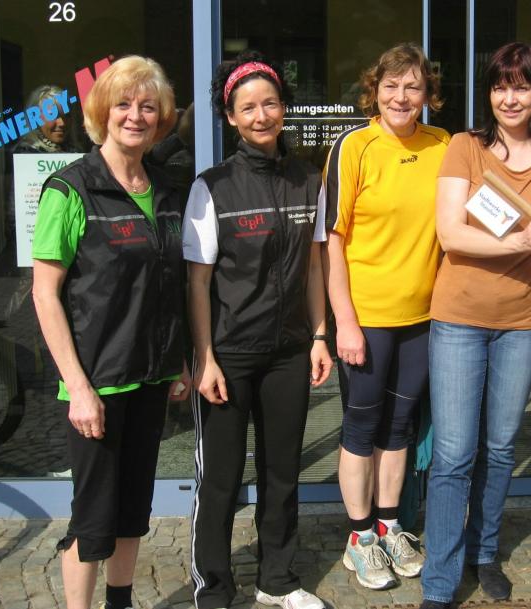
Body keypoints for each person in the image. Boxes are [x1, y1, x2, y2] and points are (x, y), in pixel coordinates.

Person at [419, 42, 531, 609]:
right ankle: (440, 580)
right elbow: (450, 233)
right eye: (499, 86)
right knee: (453, 454)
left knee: (501, 448)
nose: (509, 98)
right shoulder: (466, 148)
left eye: (521, 86)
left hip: (523, 321)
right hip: (460, 317)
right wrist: (520, 242)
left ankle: (484, 552)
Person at [31, 56, 190, 609]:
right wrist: (78, 388)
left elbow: (169, 284)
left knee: (131, 511)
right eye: (123, 104)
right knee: (92, 518)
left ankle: (119, 602)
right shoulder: (70, 189)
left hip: (150, 378)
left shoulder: (166, 189)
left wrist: (177, 361)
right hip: (97, 383)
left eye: (147, 106)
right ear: (102, 111)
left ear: (161, 117)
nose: (135, 116)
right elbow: (45, 295)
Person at [183, 50, 332, 609]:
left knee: (282, 473)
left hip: (289, 351)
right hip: (229, 354)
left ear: (283, 108)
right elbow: (197, 282)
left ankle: (278, 579)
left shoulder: (307, 180)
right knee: (221, 479)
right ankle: (214, 588)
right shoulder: (213, 187)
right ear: (230, 117)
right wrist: (205, 359)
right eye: (247, 107)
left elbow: (314, 266)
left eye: (270, 103)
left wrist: (320, 336)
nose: (261, 115)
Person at [321, 42, 449, 590]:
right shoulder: (354, 146)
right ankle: (359, 538)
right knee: (361, 425)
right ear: (374, 90)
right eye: (391, 86)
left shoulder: (444, 145)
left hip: (423, 316)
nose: (401, 97)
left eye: (413, 87)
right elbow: (331, 239)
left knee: (400, 427)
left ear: (427, 94)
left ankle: (390, 525)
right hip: (367, 316)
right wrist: (344, 321)